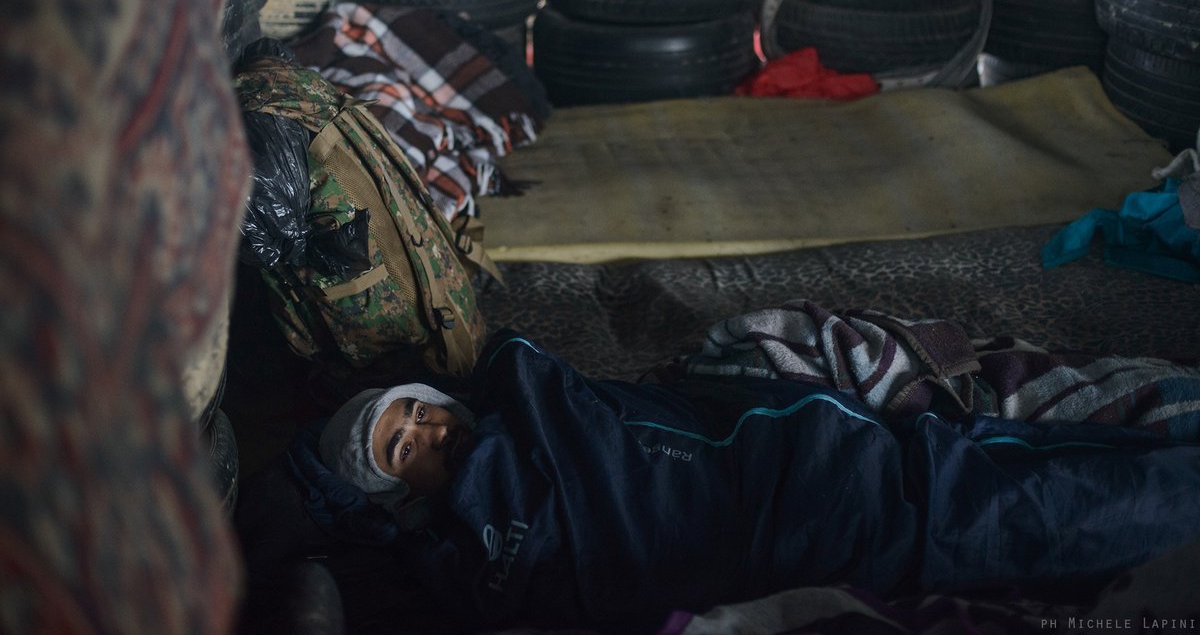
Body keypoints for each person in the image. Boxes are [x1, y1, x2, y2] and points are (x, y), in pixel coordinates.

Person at [259, 326, 1200, 635]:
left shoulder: (538, 401)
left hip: (824, 482)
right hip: (799, 552)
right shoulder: (456, 564)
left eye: (419, 410)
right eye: (404, 446)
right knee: (1064, 538)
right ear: (405, 495)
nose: (431, 430)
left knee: (1073, 505)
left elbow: (533, 375)